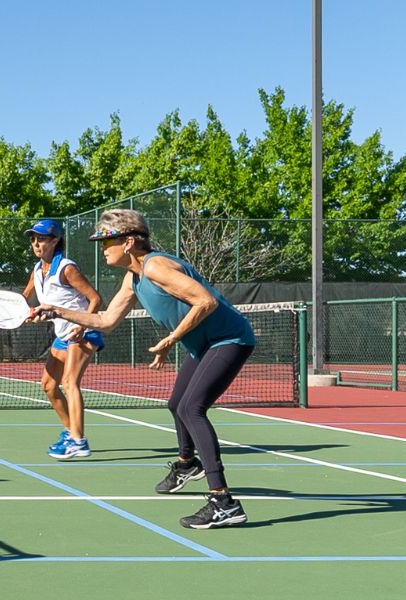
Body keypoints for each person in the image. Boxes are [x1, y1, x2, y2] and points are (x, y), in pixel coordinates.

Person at [31, 209, 255, 529]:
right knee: (176, 404)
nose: (102, 248)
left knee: (192, 409)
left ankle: (224, 503)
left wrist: (172, 338)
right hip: (203, 344)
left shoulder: (156, 267)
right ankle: (187, 463)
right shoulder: (132, 279)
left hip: (230, 339)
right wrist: (57, 310)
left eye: (107, 241)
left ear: (129, 242)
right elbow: (105, 321)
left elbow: (206, 302)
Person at [15, 219, 102, 460]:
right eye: (33, 239)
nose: (36, 243)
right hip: (62, 334)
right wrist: (21, 313)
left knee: (69, 382)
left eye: (41, 238)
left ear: (55, 240)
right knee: (48, 386)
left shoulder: (66, 269)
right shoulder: (36, 270)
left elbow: (96, 299)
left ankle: (79, 441)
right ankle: (70, 431)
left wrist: (82, 324)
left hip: (83, 330)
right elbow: (25, 298)